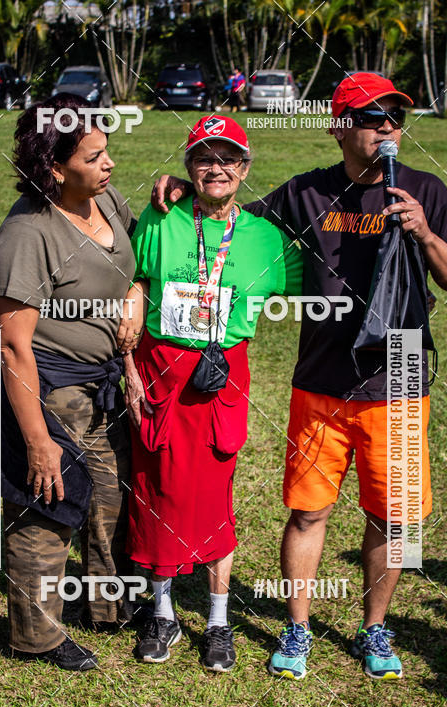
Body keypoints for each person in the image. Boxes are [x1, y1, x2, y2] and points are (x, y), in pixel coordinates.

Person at [151, 72, 447, 681]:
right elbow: (230, 221)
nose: (386, 126)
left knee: (393, 519)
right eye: (371, 116)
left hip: (400, 375)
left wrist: (425, 232)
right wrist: (181, 188)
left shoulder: (425, 190)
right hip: (320, 380)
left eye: (394, 117)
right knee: (307, 513)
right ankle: (297, 629)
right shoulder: (306, 195)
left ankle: (374, 627)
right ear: (338, 127)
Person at [118, 115, 303, 672]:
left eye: (228, 159)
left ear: (245, 170)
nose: (215, 168)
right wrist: (128, 365)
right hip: (158, 370)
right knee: (153, 489)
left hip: (221, 377)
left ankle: (219, 620)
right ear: (187, 167)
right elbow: (135, 280)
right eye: (203, 158)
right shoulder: (161, 216)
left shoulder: (267, 239)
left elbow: (328, 282)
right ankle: (164, 611)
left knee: (216, 491)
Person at [0, 94, 144, 671]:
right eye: (95, 156)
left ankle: (107, 606)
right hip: (48, 384)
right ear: (55, 168)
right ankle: (38, 635)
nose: (109, 165)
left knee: (109, 494)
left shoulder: (106, 200)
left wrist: (136, 299)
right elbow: (11, 344)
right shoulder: (28, 232)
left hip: (99, 382)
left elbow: (134, 265)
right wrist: (37, 439)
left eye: (108, 151)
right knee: (48, 502)